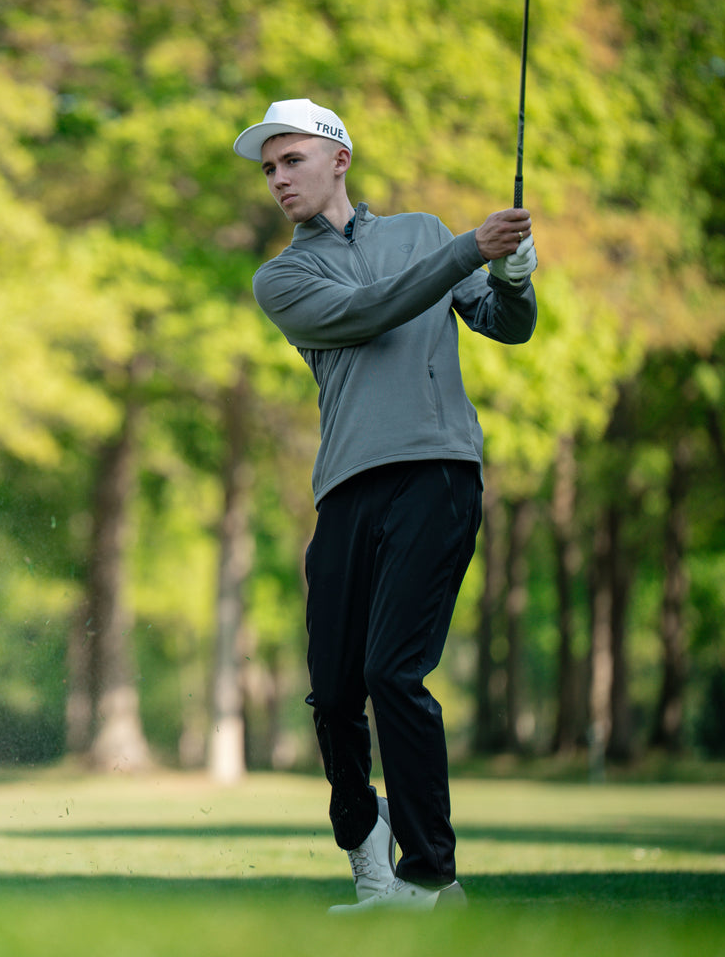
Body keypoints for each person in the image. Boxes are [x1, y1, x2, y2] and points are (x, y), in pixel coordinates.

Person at [232, 99, 538, 913]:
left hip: (436, 473)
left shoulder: (421, 232)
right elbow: (371, 312)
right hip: (345, 488)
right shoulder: (283, 276)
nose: (277, 179)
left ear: (339, 157)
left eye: (290, 159)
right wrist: (471, 248)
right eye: (268, 169)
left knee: (391, 670)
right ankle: (369, 861)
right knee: (333, 693)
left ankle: (432, 876)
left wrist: (510, 270)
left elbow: (508, 326)